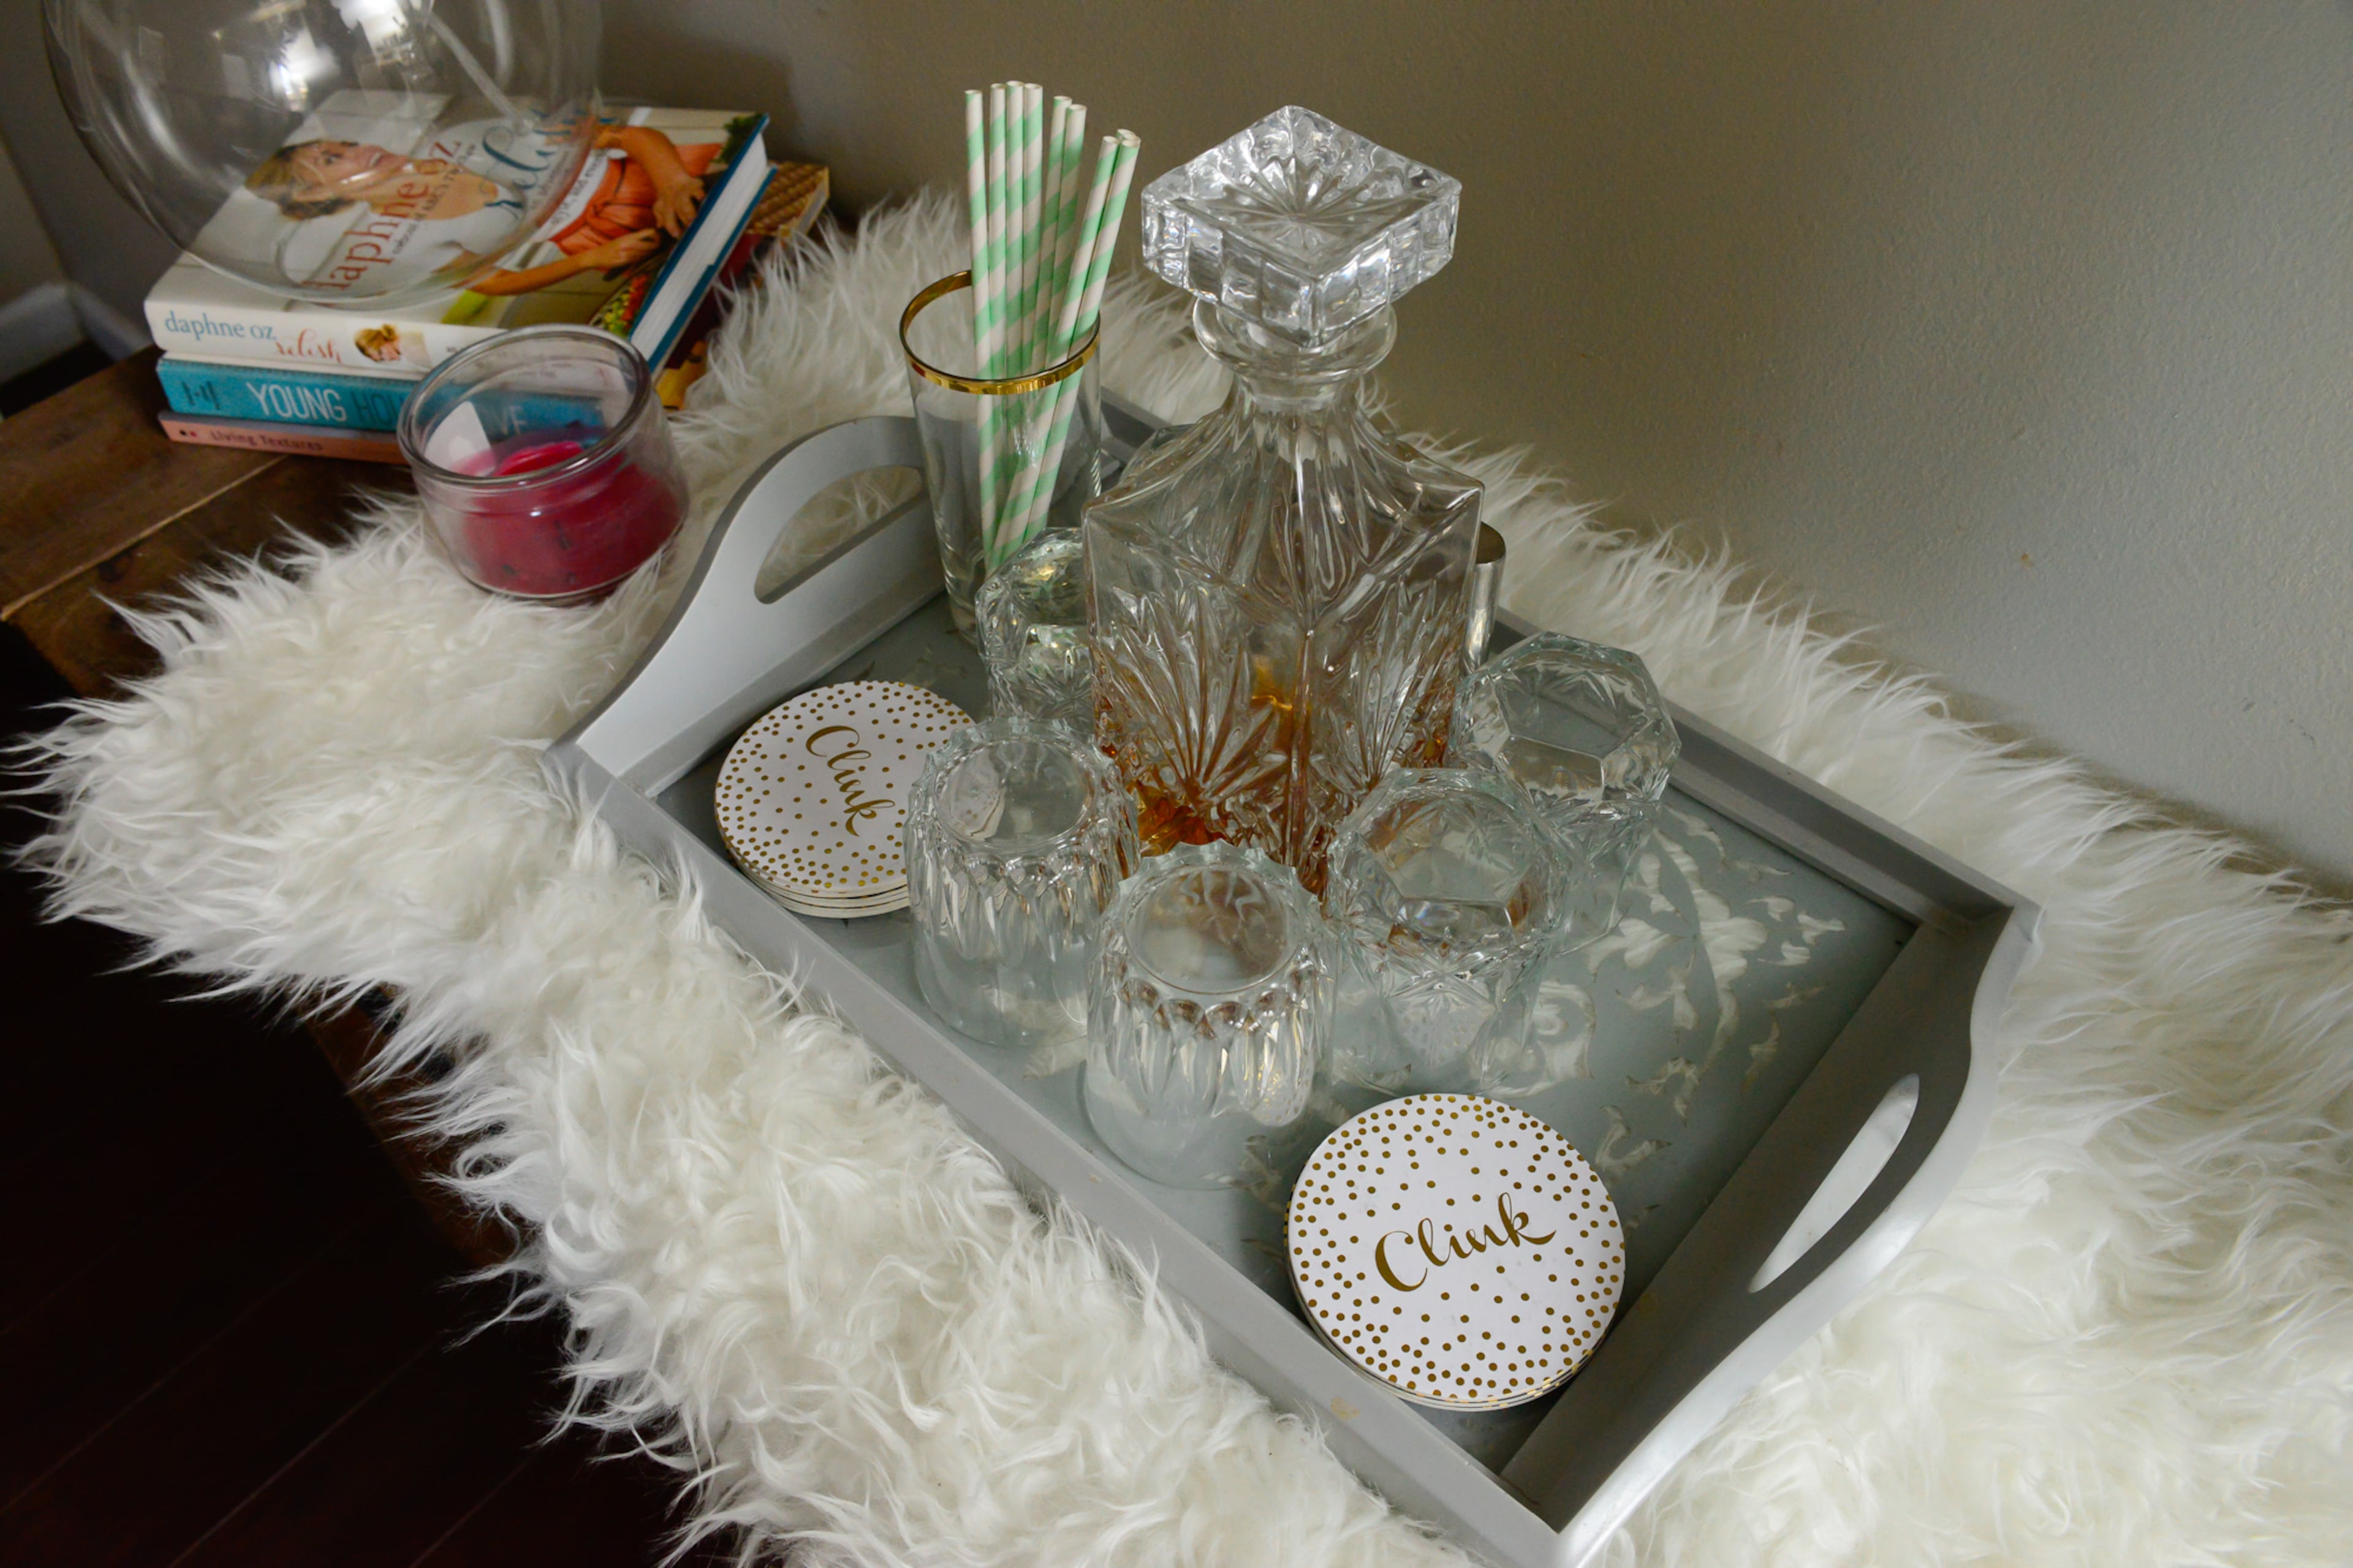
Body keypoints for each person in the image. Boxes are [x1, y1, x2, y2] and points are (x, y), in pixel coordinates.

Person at [244, 123, 715, 296]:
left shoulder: (461, 140)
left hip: (652, 176)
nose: (359, 151)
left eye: (344, 143)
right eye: (332, 160)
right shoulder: (390, 242)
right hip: (608, 240)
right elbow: (493, 284)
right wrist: (590, 260)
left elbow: (621, 135)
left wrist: (671, 180)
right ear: (310, 197)